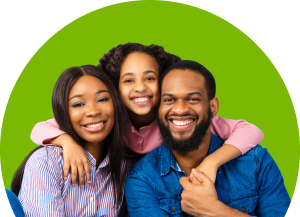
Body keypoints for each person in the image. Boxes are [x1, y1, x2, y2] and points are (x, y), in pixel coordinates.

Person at [96, 60, 291, 217]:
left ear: (213, 107)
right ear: (158, 109)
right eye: (169, 100)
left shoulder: (255, 161)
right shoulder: (143, 178)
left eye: (192, 99)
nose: (179, 109)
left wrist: (215, 211)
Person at [29, 43, 264, 187]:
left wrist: (213, 162)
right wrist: (67, 142)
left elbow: (251, 130)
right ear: (115, 87)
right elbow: (39, 128)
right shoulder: (109, 117)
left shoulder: (179, 118)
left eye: (150, 78)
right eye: (128, 80)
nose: (140, 87)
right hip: (121, 191)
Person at [9, 65, 137, 217]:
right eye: (78, 104)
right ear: (63, 113)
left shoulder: (128, 169)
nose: (93, 111)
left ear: (116, 105)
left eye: (102, 99)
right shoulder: (46, 162)